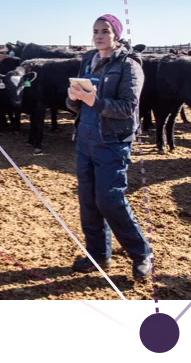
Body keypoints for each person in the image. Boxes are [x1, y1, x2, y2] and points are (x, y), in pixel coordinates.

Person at [65, 14, 153, 280]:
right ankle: (98, 255)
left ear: (116, 34)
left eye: (105, 31)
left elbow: (128, 108)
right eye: (95, 31)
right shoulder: (88, 59)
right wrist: (72, 99)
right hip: (85, 139)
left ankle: (141, 254)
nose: (99, 36)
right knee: (88, 201)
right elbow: (76, 105)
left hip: (112, 141)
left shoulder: (128, 65)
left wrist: (95, 102)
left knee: (110, 200)